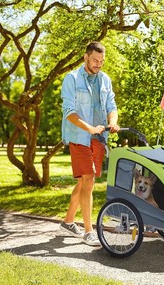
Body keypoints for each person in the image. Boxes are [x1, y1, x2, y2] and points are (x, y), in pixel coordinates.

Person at [60, 41, 120, 246]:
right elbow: (69, 112)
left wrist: (112, 122)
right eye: (95, 60)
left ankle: (68, 221)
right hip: (79, 137)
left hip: (99, 138)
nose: (98, 64)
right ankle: (88, 231)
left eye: (102, 61)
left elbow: (112, 105)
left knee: (84, 181)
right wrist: (90, 129)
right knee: (89, 181)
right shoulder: (72, 79)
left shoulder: (105, 80)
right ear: (86, 57)